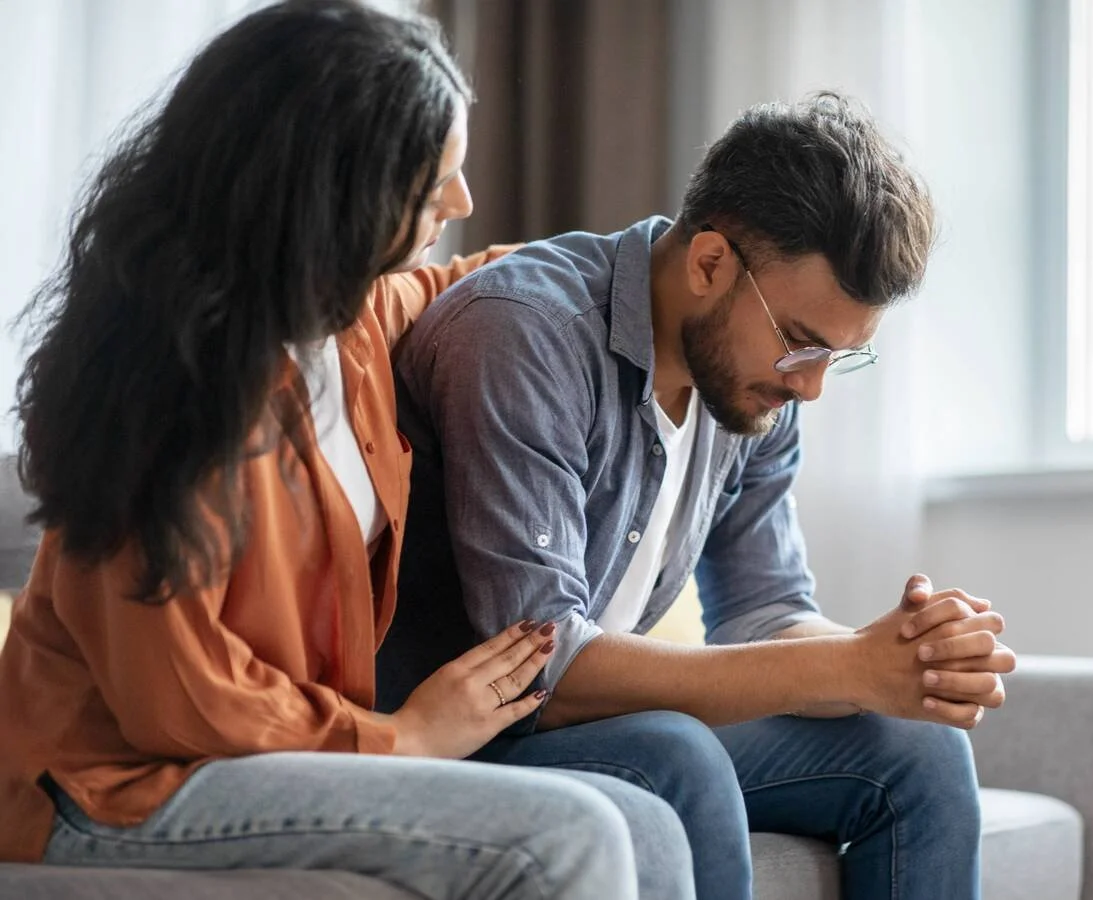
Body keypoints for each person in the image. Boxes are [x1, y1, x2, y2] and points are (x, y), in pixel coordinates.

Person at [0, 3, 695, 898]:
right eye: (432, 182)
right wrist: (402, 738)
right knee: (571, 835)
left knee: (645, 825)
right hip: (109, 784)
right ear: (334, 190)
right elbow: (177, 694)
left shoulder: (348, 325)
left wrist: (659, 278)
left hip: (262, 758)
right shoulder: (162, 389)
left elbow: (494, 280)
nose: (462, 202)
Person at [382, 92, 1019, 900]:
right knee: (676, 754)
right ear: (710, 263)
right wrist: (845, 667)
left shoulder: (753, 389)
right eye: (801, 344)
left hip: (604, 729)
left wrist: (901, 661)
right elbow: (546, 667)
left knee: (919, 750)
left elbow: (765, 609)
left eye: (838, 357)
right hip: (464, 733)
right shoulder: (525, 333)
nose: (812, 387)